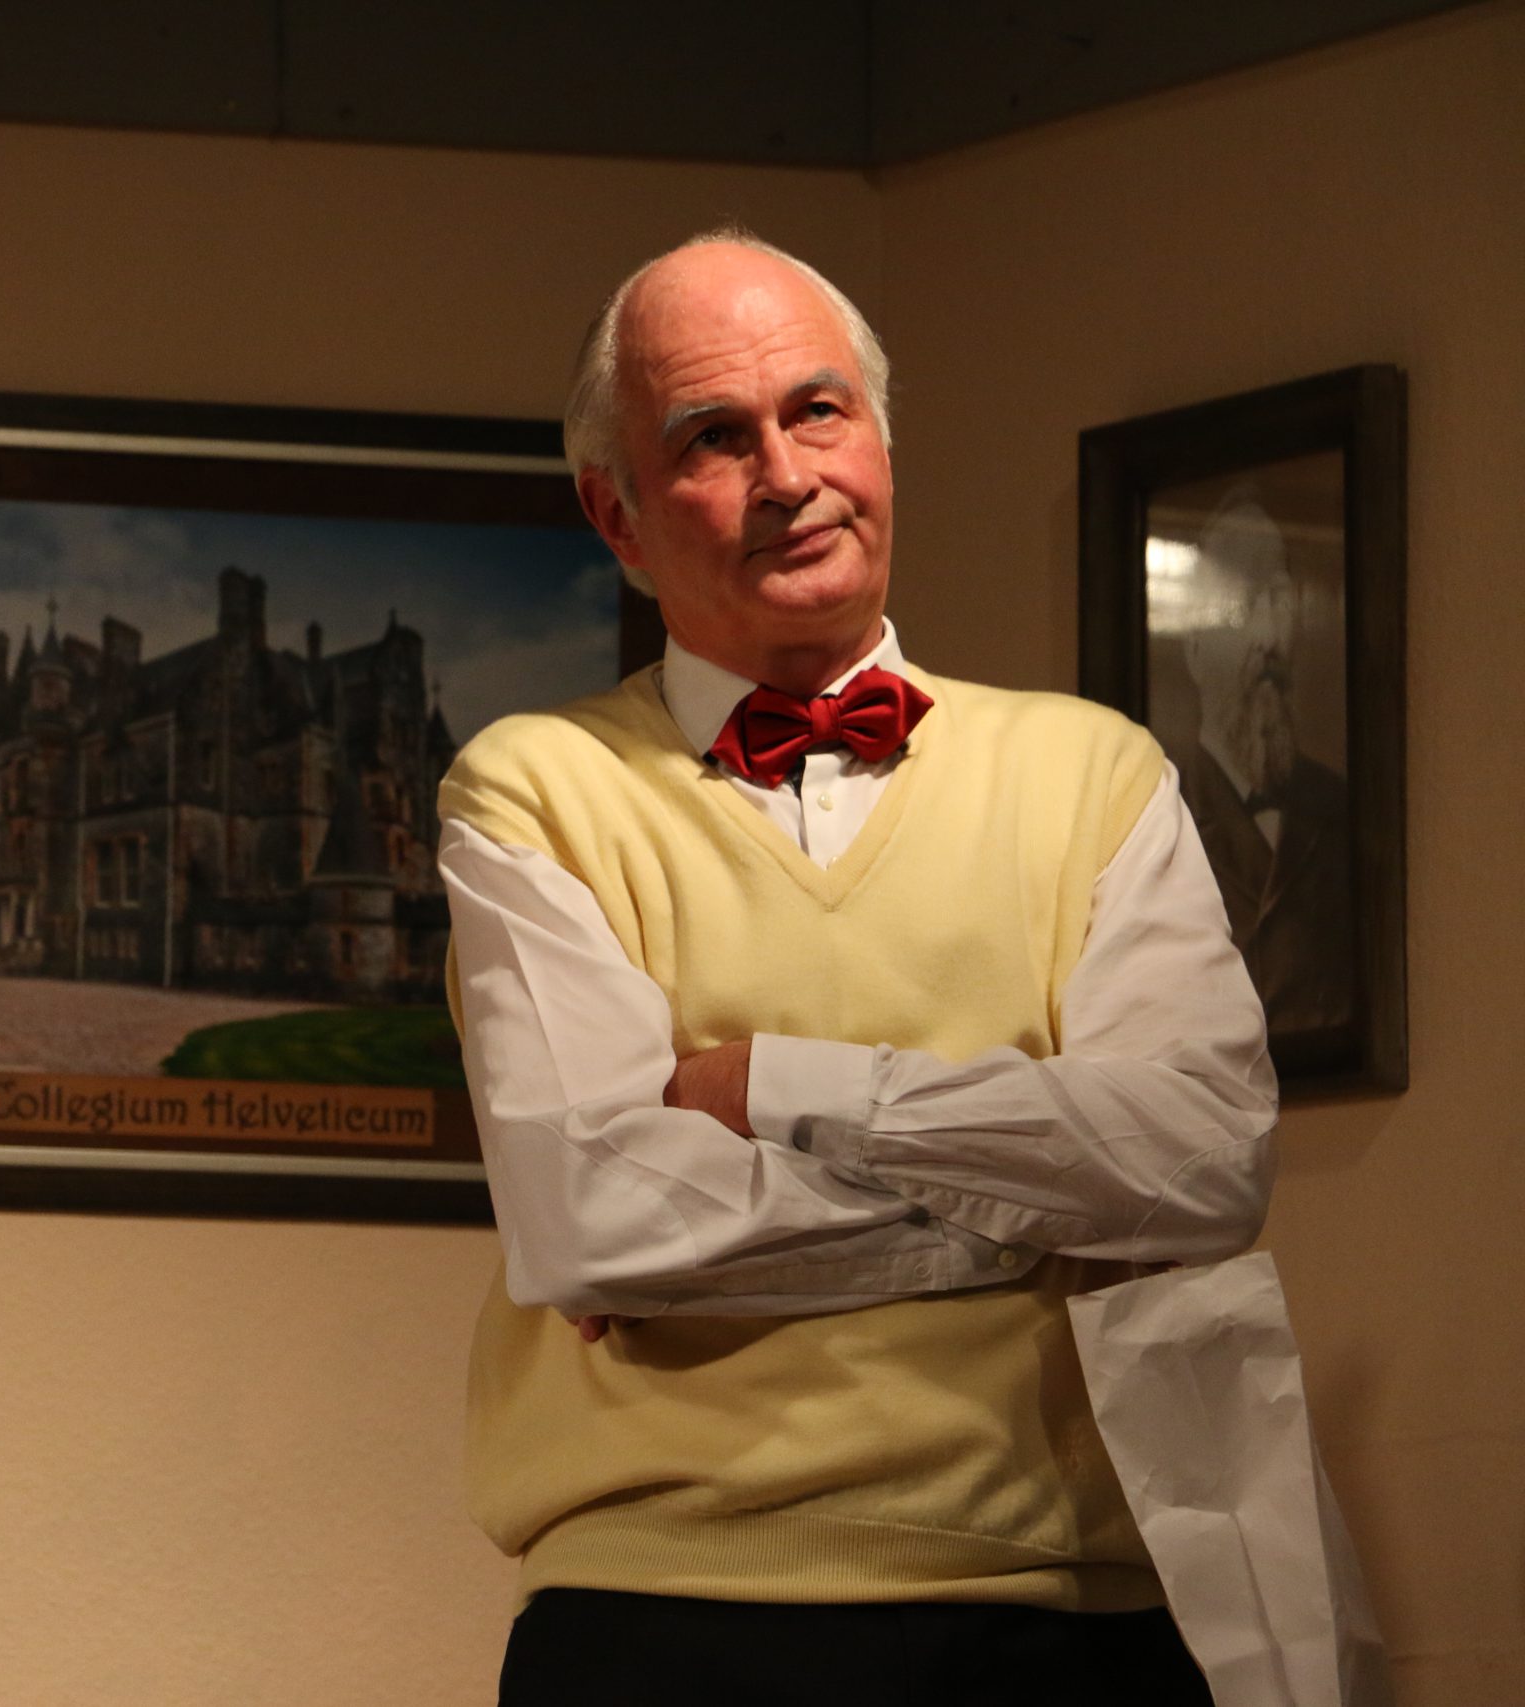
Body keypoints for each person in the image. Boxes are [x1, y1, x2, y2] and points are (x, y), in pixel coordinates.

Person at [436, 232, 1277, 1706]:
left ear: (881, 440)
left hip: (1077, 1614)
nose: (786, 474)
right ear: (616, 514)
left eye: (817, 410)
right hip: (665, 1614)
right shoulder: (533, 789)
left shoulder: (1096, 773)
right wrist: (1039, 1203)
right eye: (712, 437)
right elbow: (593, 1220)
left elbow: (1205, 1161)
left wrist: (773, 1087)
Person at [1176, 488, 1357, 1040]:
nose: (1271, 638)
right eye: (1244, 606)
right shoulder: (1157, 820)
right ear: (1195, 649)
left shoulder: (1341, 810)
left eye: (1280, 603)